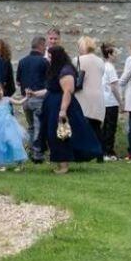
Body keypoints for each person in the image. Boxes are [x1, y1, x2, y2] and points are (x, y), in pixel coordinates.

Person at [42, 45, 102, 174]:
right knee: (54, 135)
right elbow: (51, 88)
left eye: (51, 56)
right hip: (52, 105)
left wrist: (63, 110)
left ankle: (64, 166)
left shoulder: (66, 70)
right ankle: (60, 163)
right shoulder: (57, 69)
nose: (48, 59)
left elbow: (67, 92)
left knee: (62, 134)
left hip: (61, 105)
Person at [76, 37, 106, 162]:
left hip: (83, 96)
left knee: (82, 127)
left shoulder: (78, 60)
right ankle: (100, 155)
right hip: (98, 96)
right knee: (96, 127)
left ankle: (83, 155)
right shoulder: (100, 61)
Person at [99, 43, 123, 161]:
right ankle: (108, 152)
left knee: (106, 128)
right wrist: (121, 102)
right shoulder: (110, 68)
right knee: (110, 128)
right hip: (111, 102)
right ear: (109, 54)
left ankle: (104, 150)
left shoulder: (103, 67)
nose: (116, 56)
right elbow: (114, 87)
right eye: (115, 53)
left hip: (104, 101)